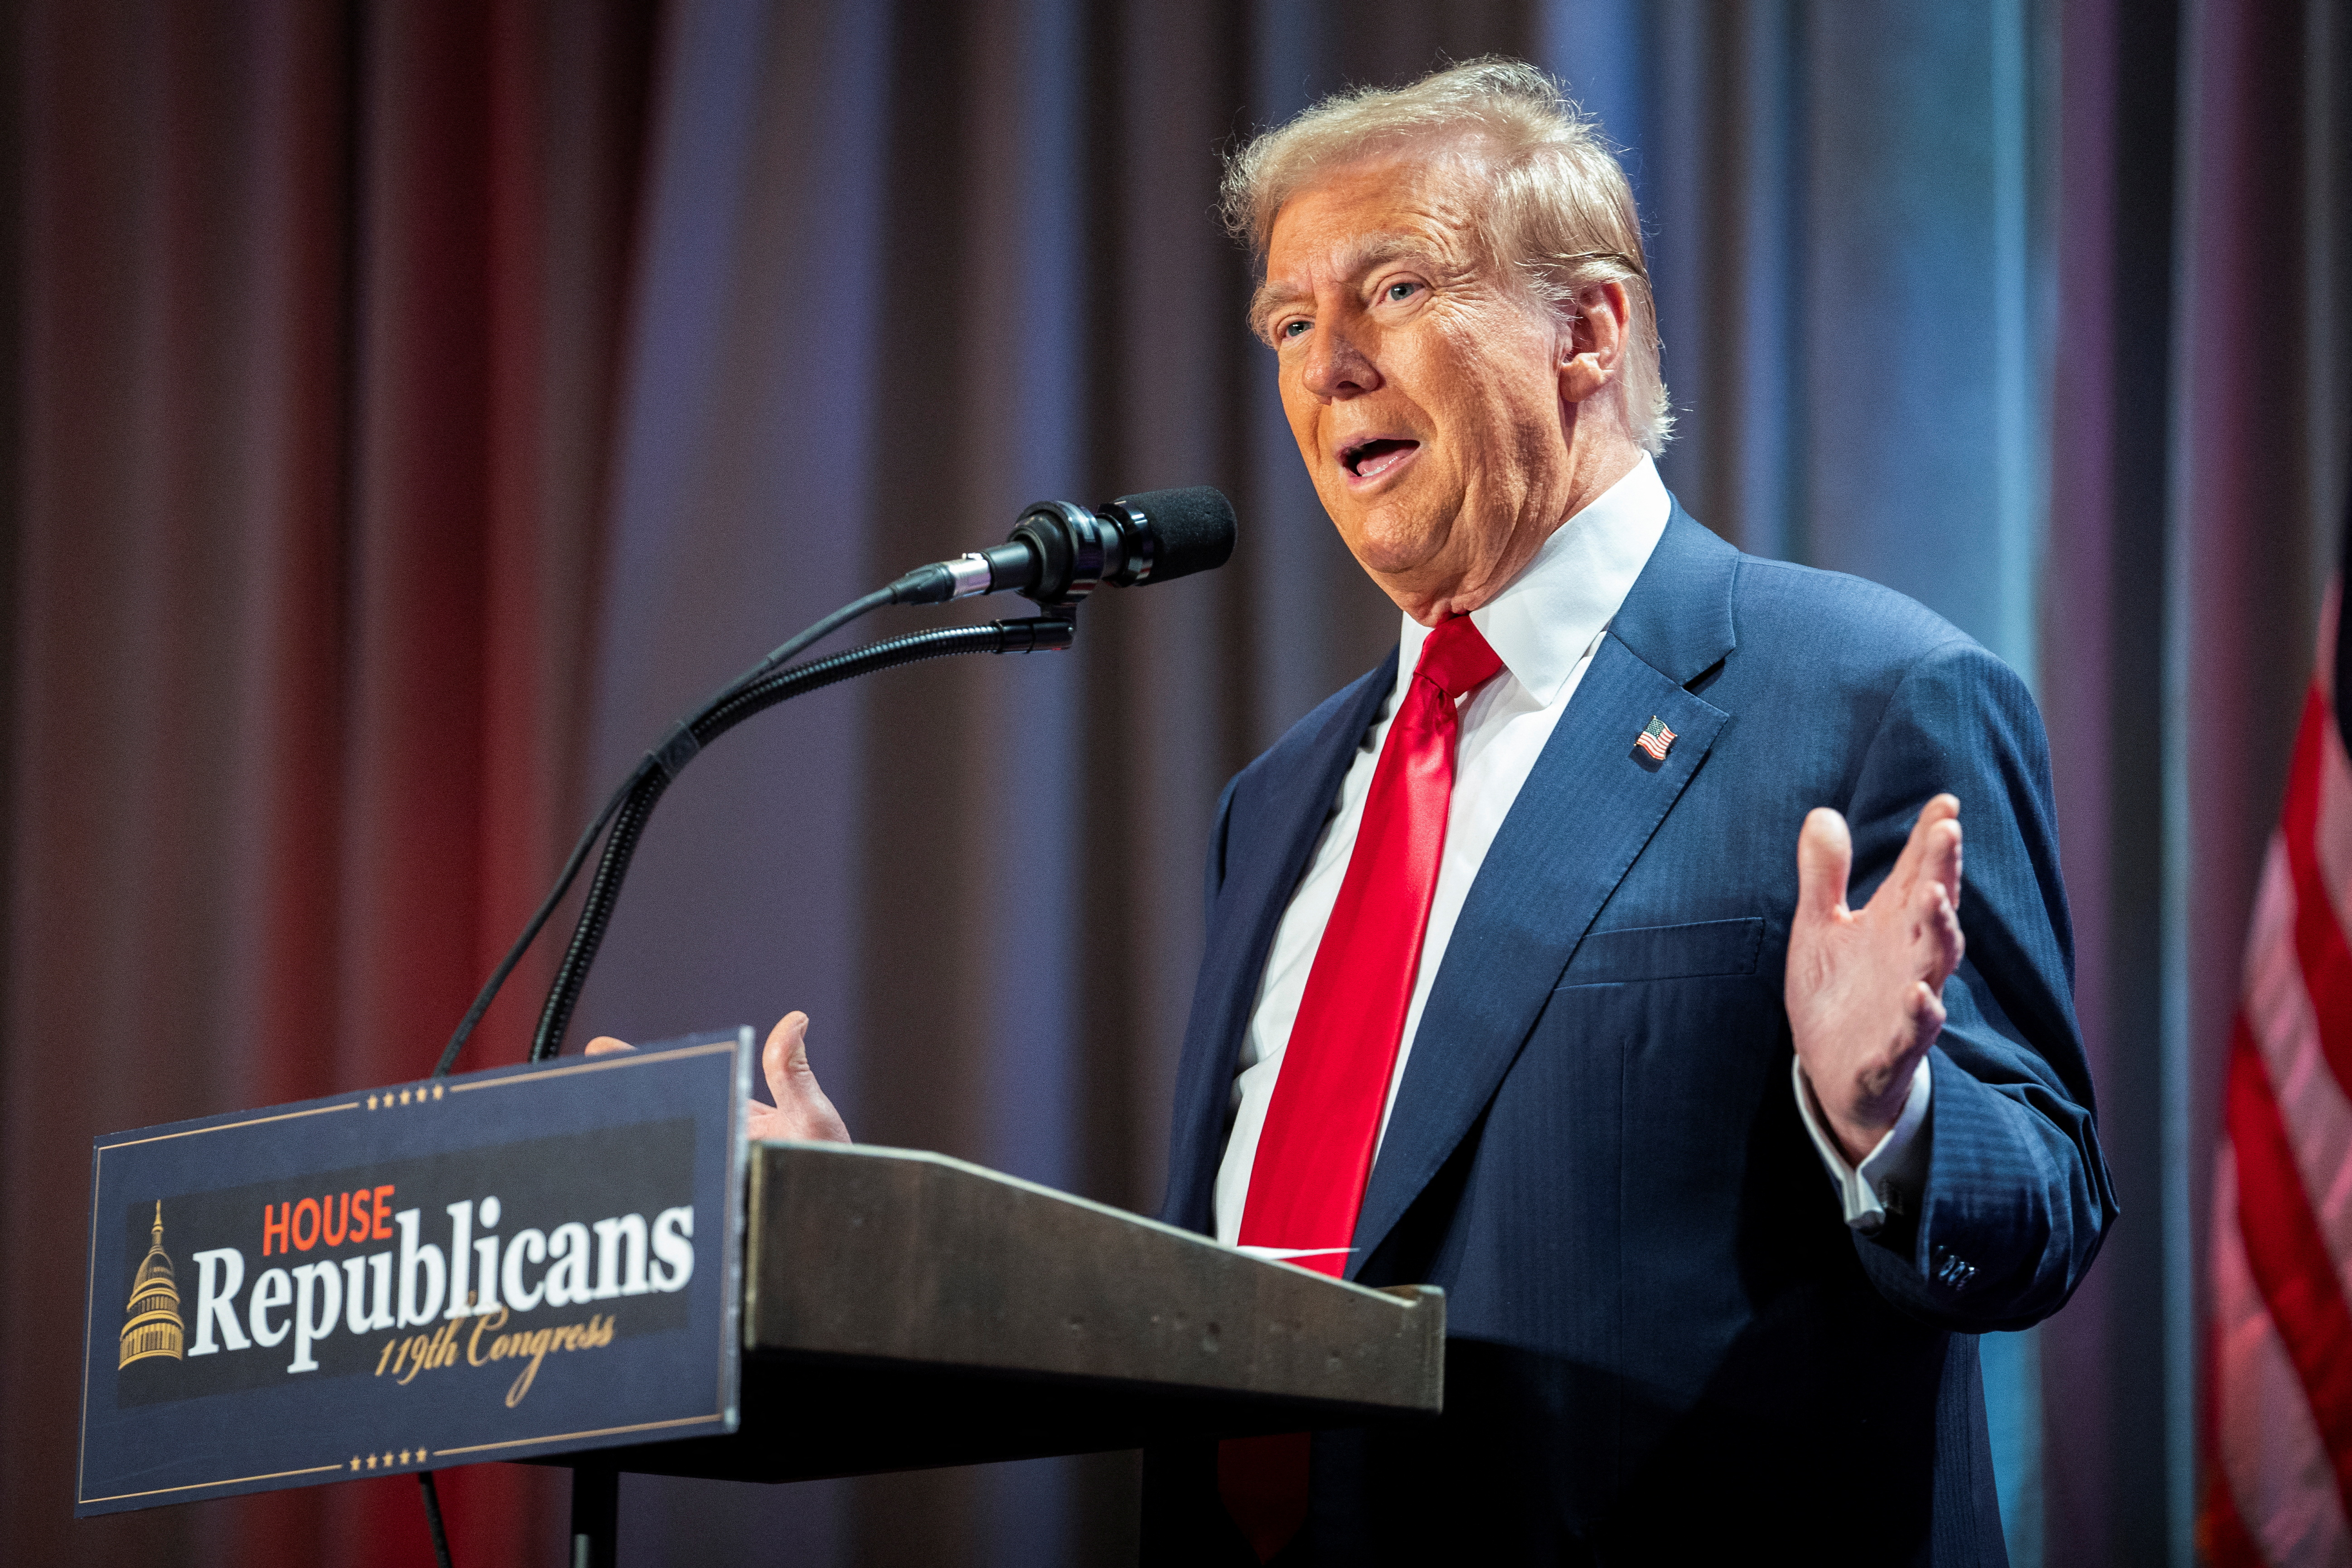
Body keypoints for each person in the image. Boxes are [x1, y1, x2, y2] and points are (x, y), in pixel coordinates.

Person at [606, 57, 2112, 1568]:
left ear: (1587, 331)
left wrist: (1889, 1118)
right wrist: (862, 1237)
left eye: (1391, 290)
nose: (1326, 364)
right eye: (1287, 321)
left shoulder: (1869, 693)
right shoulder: (1276, 804)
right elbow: (1231, 1309)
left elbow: (2044, 1204)